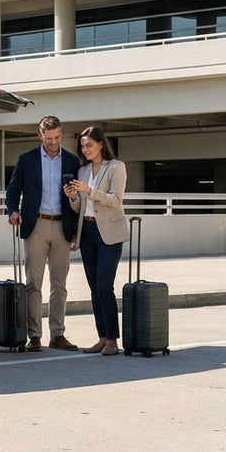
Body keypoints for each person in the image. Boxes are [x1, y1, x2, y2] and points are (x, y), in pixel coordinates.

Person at [5, 115, 81, 352]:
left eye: (57, 137)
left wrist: (77, 231)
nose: (54, 142)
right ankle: (34, 336)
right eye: (49, 138)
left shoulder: (71, 160)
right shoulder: (26, 159)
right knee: (33, 284)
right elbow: (13, 189)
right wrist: (13, 210)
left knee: (60, 284)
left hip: (62, 227)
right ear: (40, 136)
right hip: (35, 225)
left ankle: (57, 334)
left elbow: (79, 199)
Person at [64, 126, 131, 356]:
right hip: (88, 231)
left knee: (104, 286)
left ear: (101, 144)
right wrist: (74, 196)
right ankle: (102, 337)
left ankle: (113, 339)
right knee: (94, 288)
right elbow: (80, 207)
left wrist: (90, 191)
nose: (86, 149)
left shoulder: (116, 167)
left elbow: (115, 200)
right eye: (83, 146)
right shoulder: (82, 171)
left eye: (89, 145)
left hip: (109, 233)